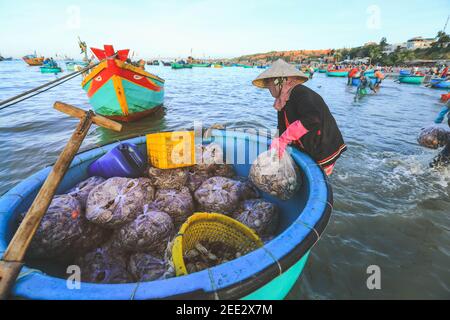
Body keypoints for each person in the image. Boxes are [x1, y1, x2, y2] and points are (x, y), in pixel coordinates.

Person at [252, 59, 347, 176]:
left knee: (321, 175)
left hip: (323, 144)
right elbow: (282, 126)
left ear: (279, 81)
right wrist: (277, 143)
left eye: (270, 85)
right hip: (306, 143)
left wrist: (284, 139)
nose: (269, 89)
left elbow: (313, 119)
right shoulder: (282, 99)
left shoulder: (300, 93)